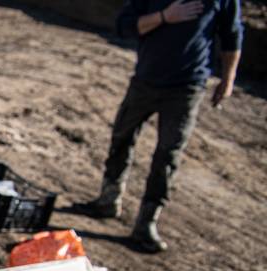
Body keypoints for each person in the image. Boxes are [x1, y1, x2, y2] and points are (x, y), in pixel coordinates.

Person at [86, 0, 242, 253]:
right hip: (146, 79)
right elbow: (124, 27)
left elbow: (232, 35)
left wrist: (228, 79)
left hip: (187, 88)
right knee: (122, 138)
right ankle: (108, 199)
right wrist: (164, 16)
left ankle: (147, 223)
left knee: (168, 154)